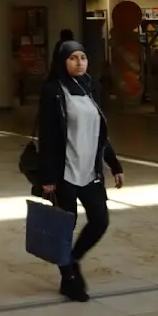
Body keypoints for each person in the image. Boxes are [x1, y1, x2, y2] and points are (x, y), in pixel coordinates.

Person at [38, 40, 125, 302]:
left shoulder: (91, 88)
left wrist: (114, 164)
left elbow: (100, 132)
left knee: (100, 220)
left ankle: (73, 260)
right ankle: (68, 279)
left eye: (83, 57)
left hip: (90, 171)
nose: (79, 62)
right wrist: (48, 178)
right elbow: (48, 136)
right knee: (65, 227)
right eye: (73, 58)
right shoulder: (53, 91)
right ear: (62, 61)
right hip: (65, 172)